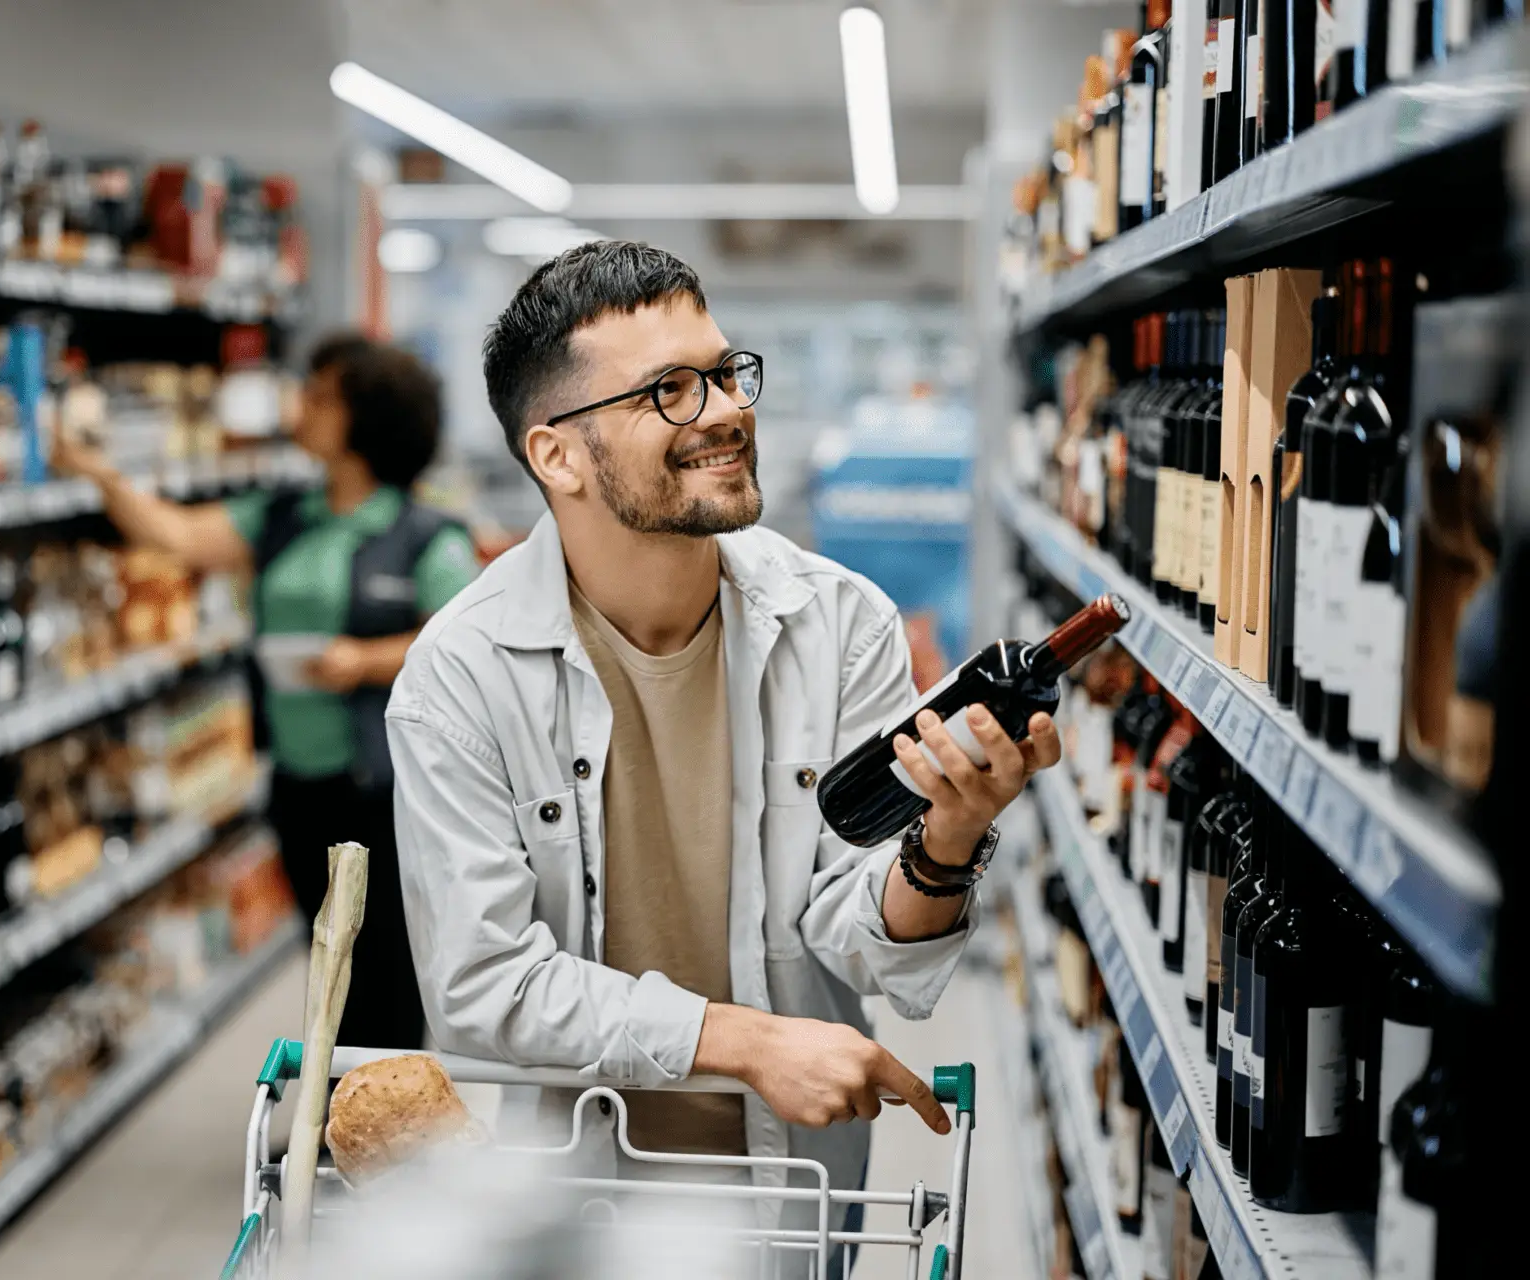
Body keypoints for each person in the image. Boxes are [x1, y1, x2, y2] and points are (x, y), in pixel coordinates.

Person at [386, 242, 1061, 1247]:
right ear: (555, 454)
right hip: (557, 1207)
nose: (723, 410)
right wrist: (741, 1038)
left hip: (787, 1201)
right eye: (667, 390)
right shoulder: (459, 680)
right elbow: (483, 980)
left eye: (721, 372)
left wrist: (947, 837)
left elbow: (856, 932)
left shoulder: (841, 626)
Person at [56, 332, 478, 1051]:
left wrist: (365, 658)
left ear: (365, 420)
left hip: (384, 788)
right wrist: (100, 476)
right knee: (325, 961)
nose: (299, 408)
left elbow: (462, 642)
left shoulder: (423, 536)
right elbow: (182, 535)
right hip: (298, 782)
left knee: (385, 966)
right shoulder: (286, 514)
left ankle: (391, 1129)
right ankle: (336, 1121)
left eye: (320, 397)